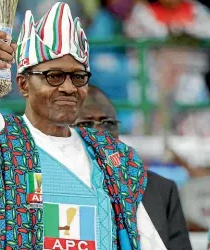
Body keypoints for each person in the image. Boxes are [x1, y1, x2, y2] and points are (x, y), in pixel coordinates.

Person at [0, 2, 167, 249]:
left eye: (78, 76)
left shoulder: (112, 158)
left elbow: (146, 241)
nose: (68, 87)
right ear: (22, 84)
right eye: (53, 76)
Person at [75, 85, 192, 249]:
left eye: (108, 123)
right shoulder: (54, 186)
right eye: (86, 124)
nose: (100, 131)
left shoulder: (160, 190)